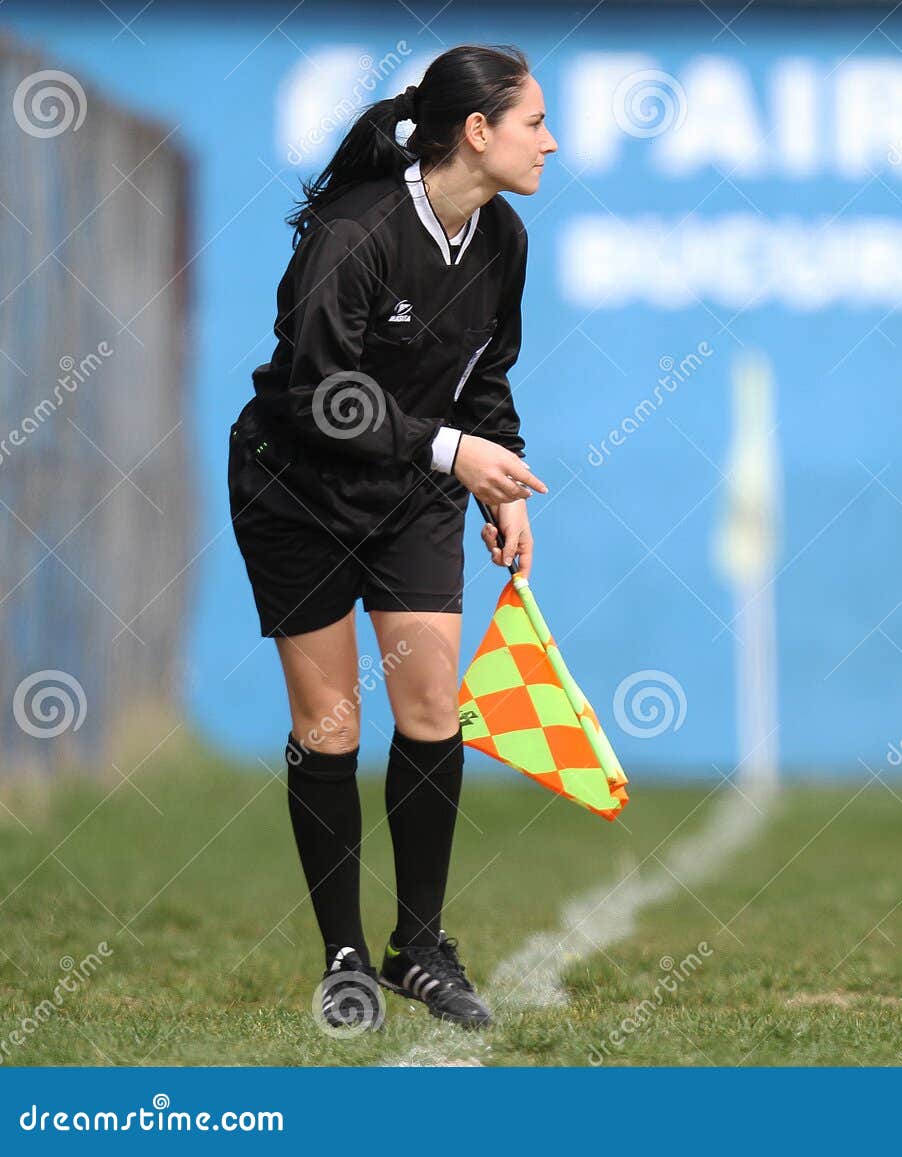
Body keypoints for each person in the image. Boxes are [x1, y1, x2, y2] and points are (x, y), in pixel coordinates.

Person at [226, 43, 558, 1030]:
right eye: (534, 121)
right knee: (331, 725)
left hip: (411, 493)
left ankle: (420, 946)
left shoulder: (502, 239)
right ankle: (343, 957)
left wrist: (505, 485)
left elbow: (483, 376)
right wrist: (455, 451)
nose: (551, 141)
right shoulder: (354, 231)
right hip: (299, 492)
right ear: (477, 132)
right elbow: (322, 395)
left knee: (428, 704)